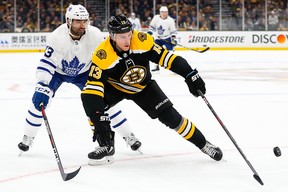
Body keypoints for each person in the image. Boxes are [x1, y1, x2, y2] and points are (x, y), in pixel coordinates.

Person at [80, 14, 223, 166]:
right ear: (112, 36)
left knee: (173, 119)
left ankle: (204, 144)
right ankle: (106, 145)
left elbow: (167, 58)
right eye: (122, 37)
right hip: (115, 88)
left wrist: (190, 74)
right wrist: (98, 119)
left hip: (144, 87)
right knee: (91, 104)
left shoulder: (142, 41)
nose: (128, 40)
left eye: (129, 35)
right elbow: (92, 88)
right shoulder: (103, 54)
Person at [18, 4, 141, 158]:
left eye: (85, 21)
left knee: (105, 103)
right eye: (78, 21)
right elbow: (47, 63)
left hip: (85, 73)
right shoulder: (57, 37)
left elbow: (107, 55)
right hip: (58, 72)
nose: (83, 25)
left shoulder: (95, 35)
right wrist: (42, 84)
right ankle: (28, 137)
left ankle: (128, 135)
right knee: (40, 102)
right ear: (68, 21)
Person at [148, 6, 177, 71]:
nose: (164, 13)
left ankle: (174, 66)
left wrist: (173, 39)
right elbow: (152, 27)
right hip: (158, 38)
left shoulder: (171, 20)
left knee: (171, 52)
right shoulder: (156, 18)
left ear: (167, 13)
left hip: (167, 38)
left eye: (165, 12)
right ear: (160, 12)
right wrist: (150, 33)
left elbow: (173, 31)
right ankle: (156, 66)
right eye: (162, 12)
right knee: (156, 52)